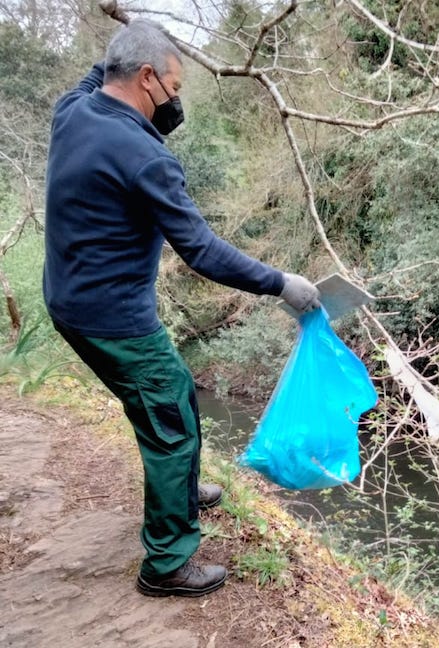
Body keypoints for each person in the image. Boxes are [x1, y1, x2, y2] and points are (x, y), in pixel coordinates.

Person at [43, 19, 319, 597]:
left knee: (176, 392)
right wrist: (280, 283)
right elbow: (202, 250)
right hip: (114, 319)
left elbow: (100, 71)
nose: (175, 101)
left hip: (67, 300)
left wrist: (136, 32)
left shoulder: (73, 110)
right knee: (169, 425)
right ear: (145, 77)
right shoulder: (146, 156)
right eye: (173, 86)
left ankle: (183, 492)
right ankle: (167, 563)